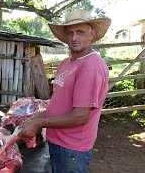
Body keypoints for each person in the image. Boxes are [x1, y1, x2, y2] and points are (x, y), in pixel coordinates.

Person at [19, 9, 111, 173]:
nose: (74, 38)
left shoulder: (90, 66)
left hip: (72, 147)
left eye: (80, 32)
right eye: (70, 33)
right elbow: (59, 103)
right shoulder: (66, 63)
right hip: (58, 141)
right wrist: (34, 119)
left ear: (92, 33)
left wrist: (39, 123)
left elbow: (80, 116)